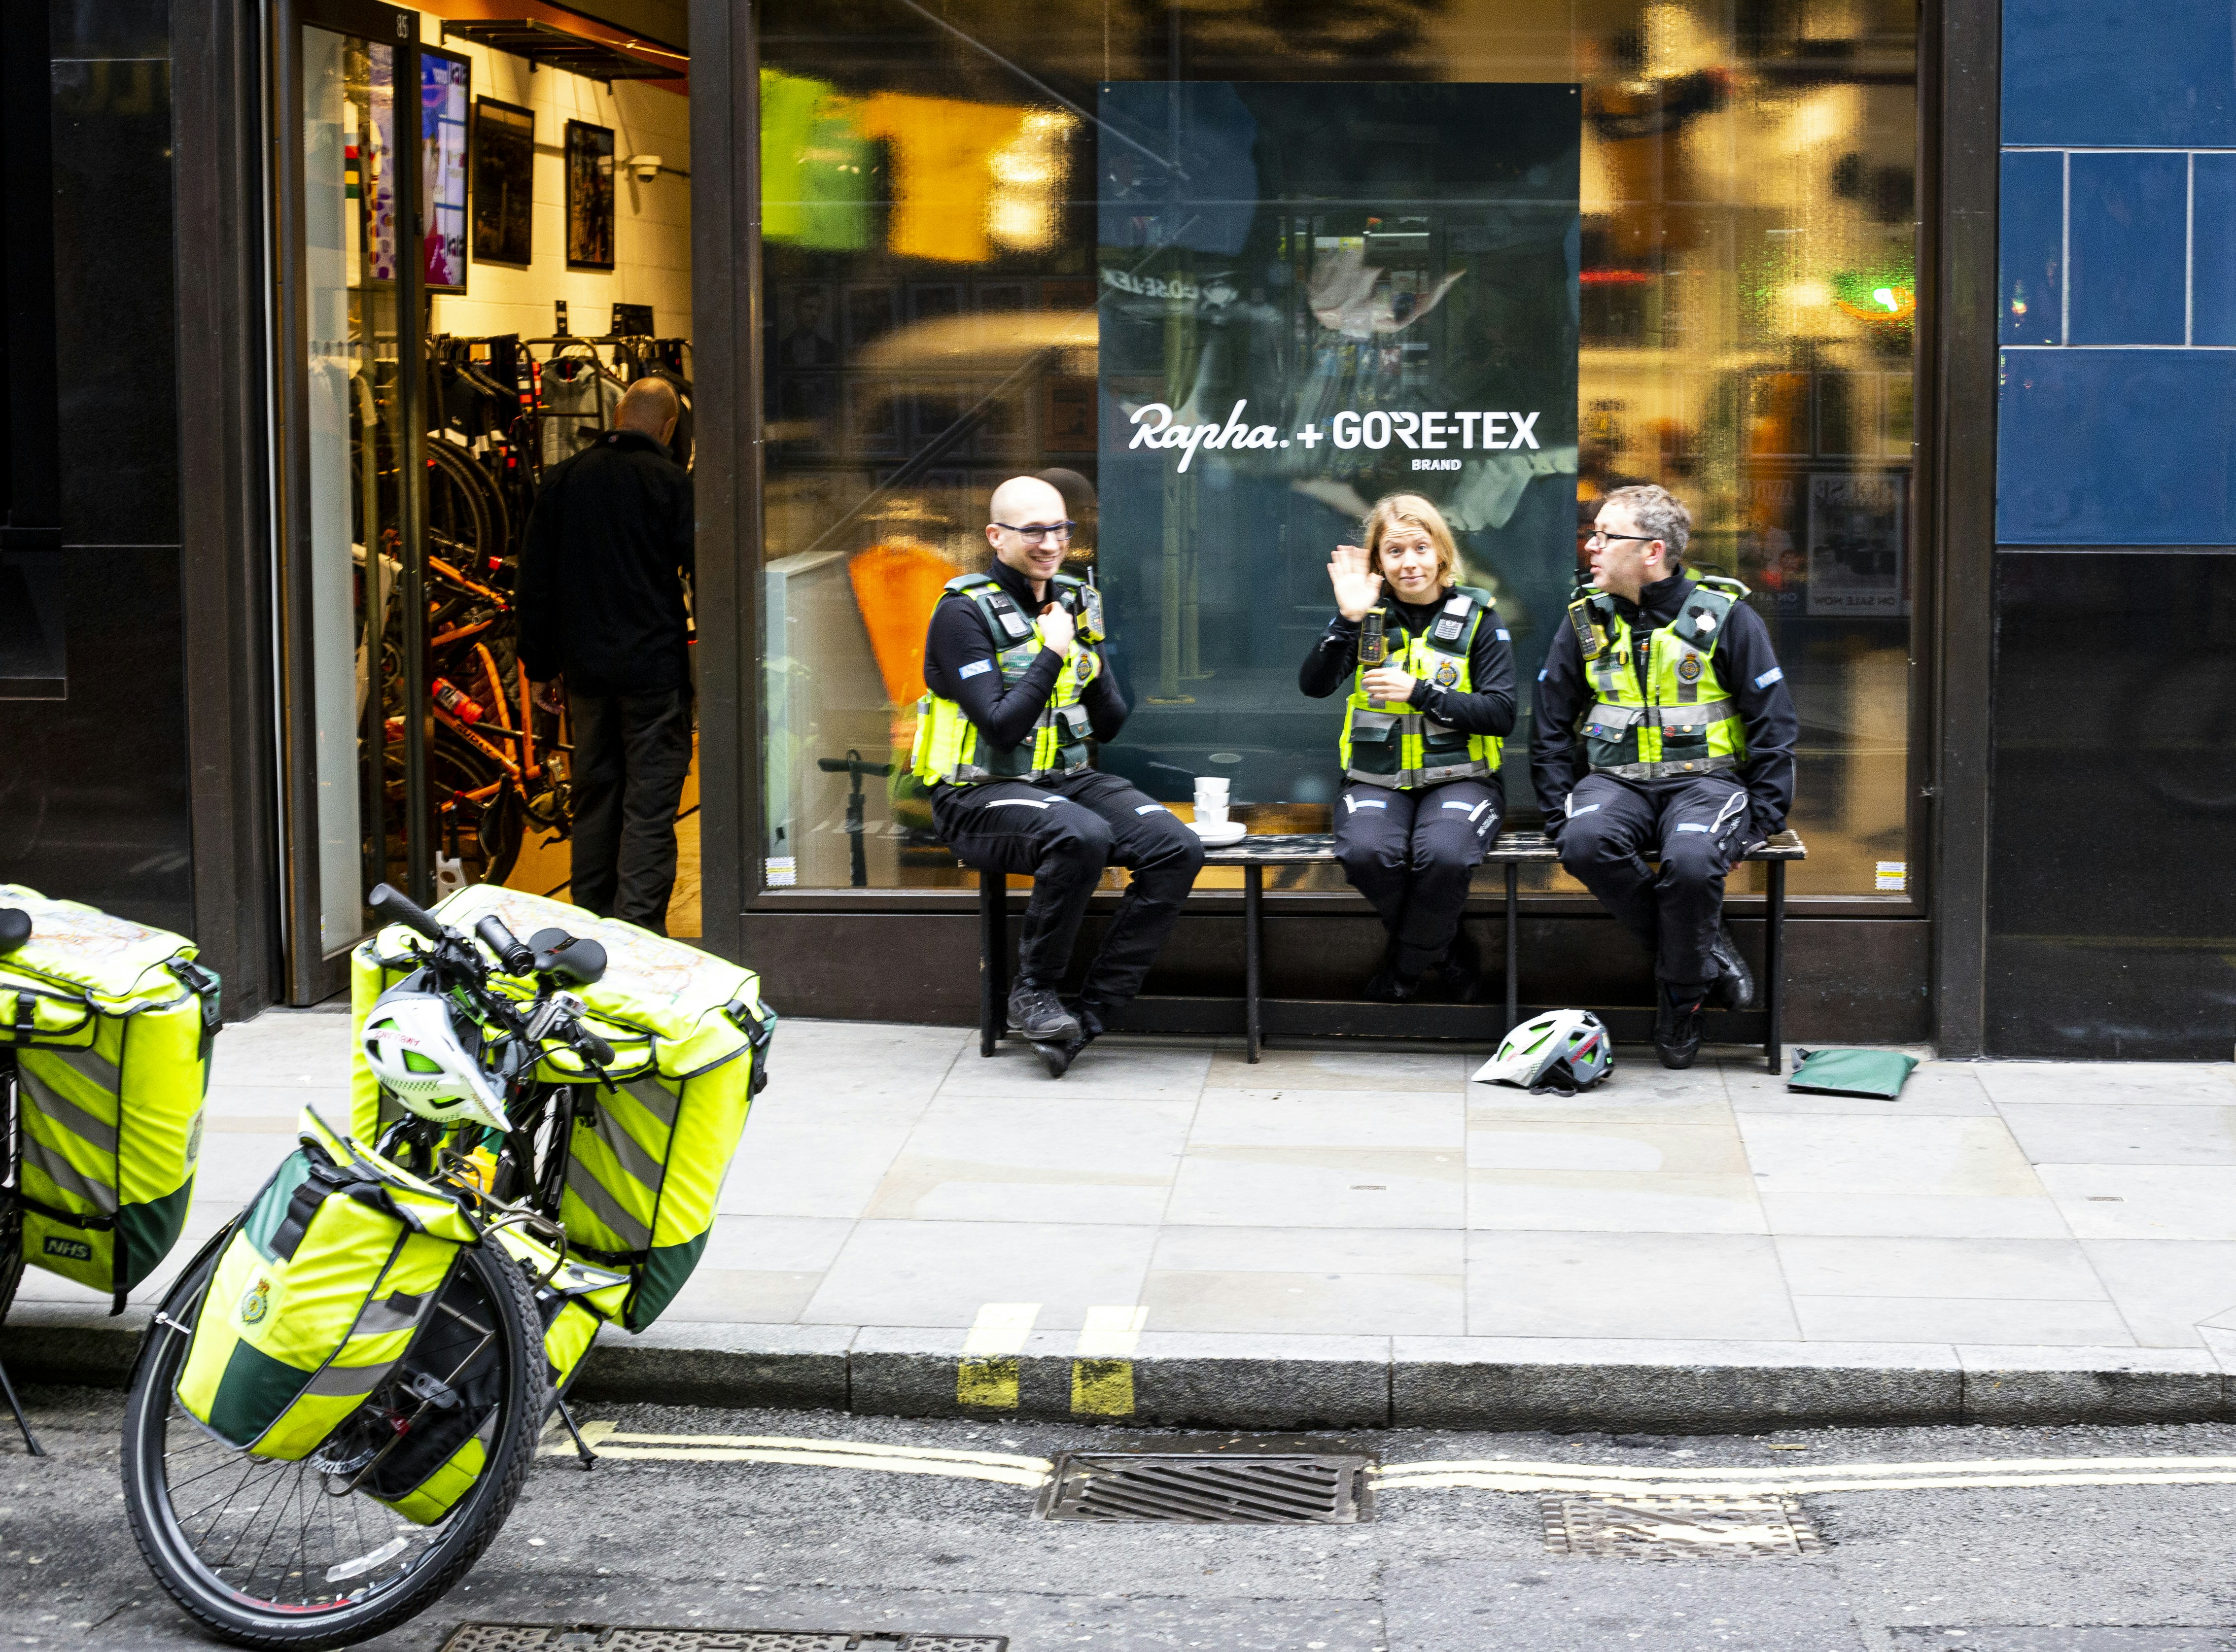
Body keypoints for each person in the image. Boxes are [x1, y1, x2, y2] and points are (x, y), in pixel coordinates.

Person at [913, 475, 1204, 1077]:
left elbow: (1111, 722)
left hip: (1063, 778)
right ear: (996, 536)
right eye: (1035, 531)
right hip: (977, 792)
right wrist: (1050, 654)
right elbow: (1000, 726)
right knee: (1081, 836)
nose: (1052, 543)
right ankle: (1034, 992)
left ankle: (1091, 1016)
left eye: (1061, 528)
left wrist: (1089, 661)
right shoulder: (961, 613)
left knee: (1175, 846)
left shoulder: (1074, 599)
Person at [1531, 483, 1798, 1068]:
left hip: (1705, 781)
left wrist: (1765, 816)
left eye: (1605, 536)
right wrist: (1557, 811)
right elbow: (1550, 725)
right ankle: (1702, 956)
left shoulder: (1728, 618)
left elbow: (1773, 722)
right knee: (1583, 841)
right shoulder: (1584, 622)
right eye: (1592, 535)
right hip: (1614, 781)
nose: (1591, 547)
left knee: (1695, 859)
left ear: (1652, 551)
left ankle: (1681, 1001)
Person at [1299, 493, 1516, 1001]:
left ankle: (1403, 969)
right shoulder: (1366, 618)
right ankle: (1449, 954)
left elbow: (1501, 713)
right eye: (1395, 551)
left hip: (1462, 778)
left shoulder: (1480, 616)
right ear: (1378, 561)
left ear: (1441, 551)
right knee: (1366, 853)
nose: (1410, 562)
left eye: (1421, 547)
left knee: (1442, 856)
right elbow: (1314, 684)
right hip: (1376, 779)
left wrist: (1421, 693)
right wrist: (1347, 621)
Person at [520, 377, 694, 933]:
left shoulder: (564, 480)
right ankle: (637, 931)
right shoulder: (669, 483)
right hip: (653, 672)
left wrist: (541, 666)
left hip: (586, 674)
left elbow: (535, 582)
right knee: (649, 806)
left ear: (618, 415)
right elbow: (701, 568)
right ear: (668, 428)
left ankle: (590, 922)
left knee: (594, 797)